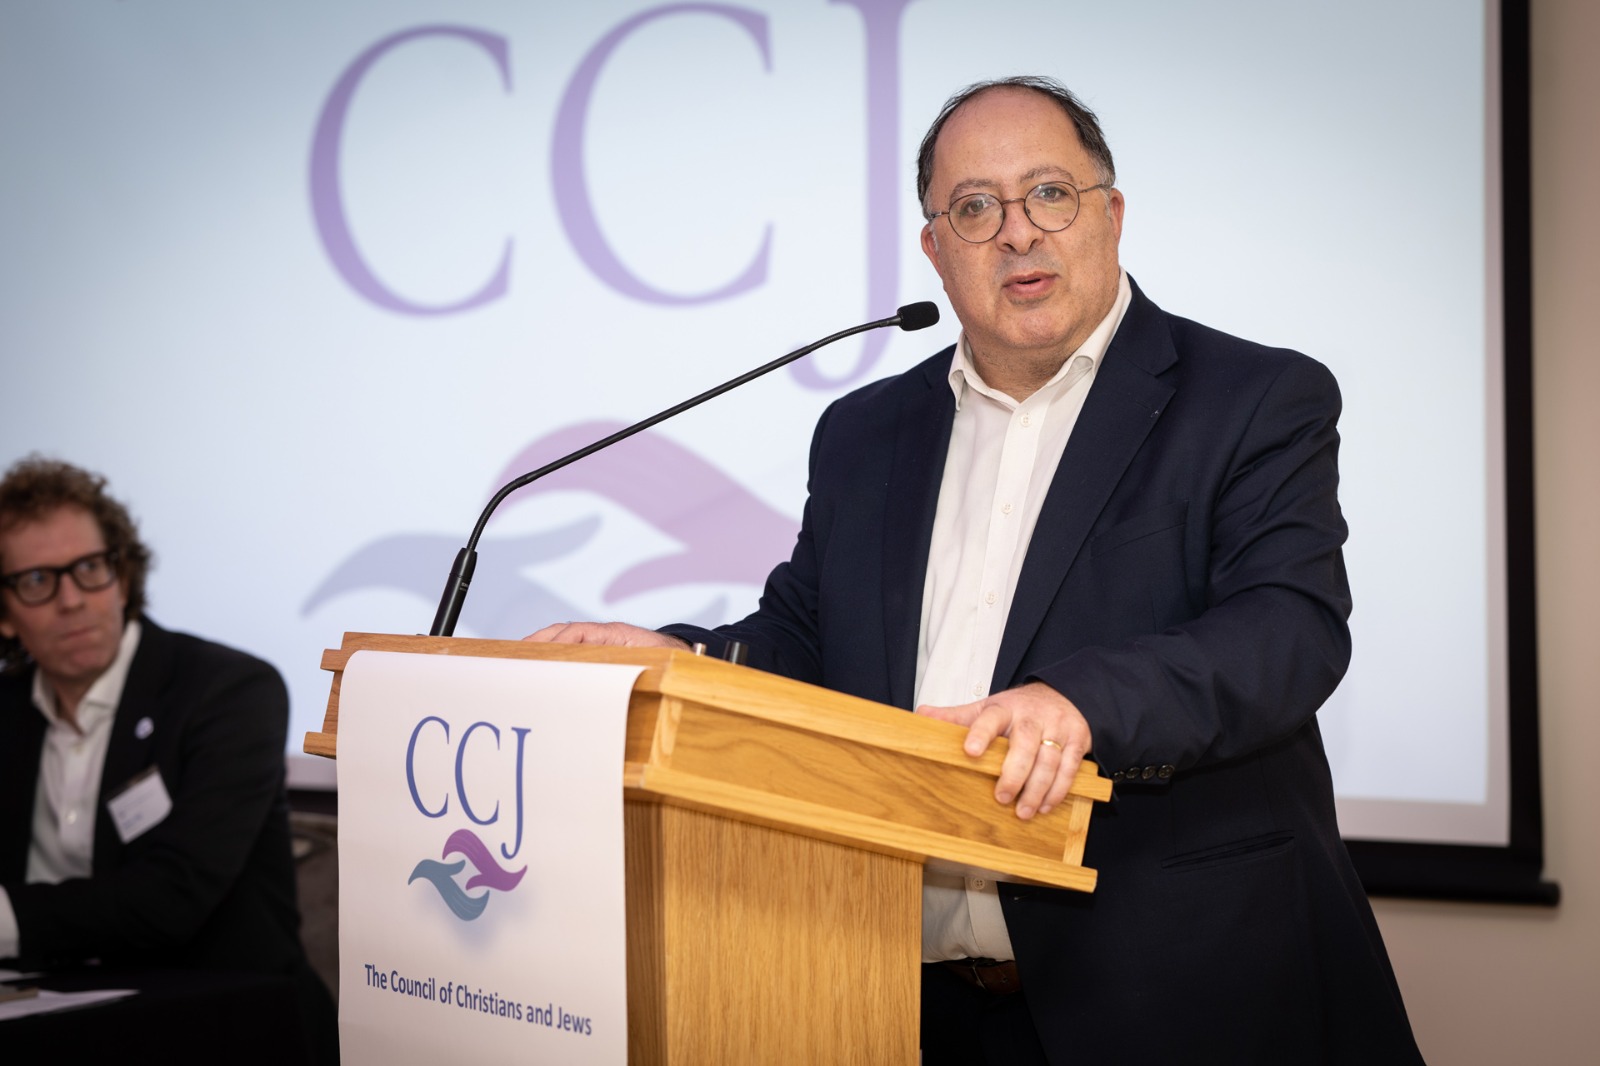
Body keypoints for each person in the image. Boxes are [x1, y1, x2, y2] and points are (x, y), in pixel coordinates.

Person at [528, 76, 1423, 1064]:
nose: (1017, 232)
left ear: (1109, 215)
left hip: (1180, 993)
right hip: (898, 1004)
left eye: (1049, 193)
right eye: (974, 207)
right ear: (935, 249)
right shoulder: (866, 433)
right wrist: (677, 659)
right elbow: (805, 645)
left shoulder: (1251, 399)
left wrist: (1078, 703)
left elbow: (1287, 631)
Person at [0, 456, 336, 1062]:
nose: (72, 600)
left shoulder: (230, 690)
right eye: (37, 582)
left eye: (90, 569)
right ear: (4, 614)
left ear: (123, 576)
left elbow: (171, 897)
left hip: (222, 1026)